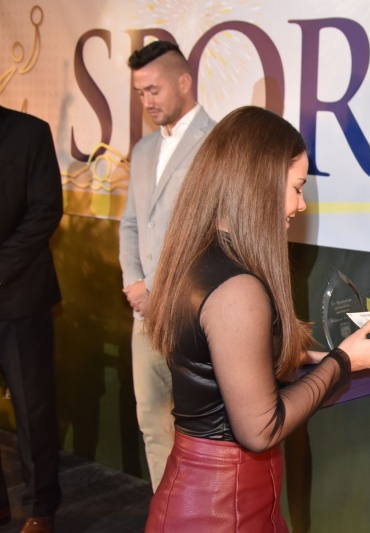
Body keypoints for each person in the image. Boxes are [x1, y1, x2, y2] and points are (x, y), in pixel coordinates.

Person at [143, 106, 370, 532]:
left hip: (221, 495)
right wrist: (341, 362)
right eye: (297, 188)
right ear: (258, 183)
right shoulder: (238, 289)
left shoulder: (203, 261)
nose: (301, 205)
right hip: (220, 508)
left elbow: (222, 367)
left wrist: (312, 358)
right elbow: (260, 429)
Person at [118, 40, 216, 491]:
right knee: (154, 426)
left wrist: (164, 296)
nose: (147, 101)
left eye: (154, 90)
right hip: (144, 316)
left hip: (191, 317)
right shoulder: (142, 150)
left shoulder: (218, 143)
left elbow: (213, 236)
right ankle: (166, 515)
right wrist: (134, 283)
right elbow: (131, 224)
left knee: (202, 434)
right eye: (140, 93)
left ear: (184, 81)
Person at [0, 105, 63, 533]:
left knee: (32, 409)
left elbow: (45, 210)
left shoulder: (30, 132)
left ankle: (41, 508)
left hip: (21, 298)